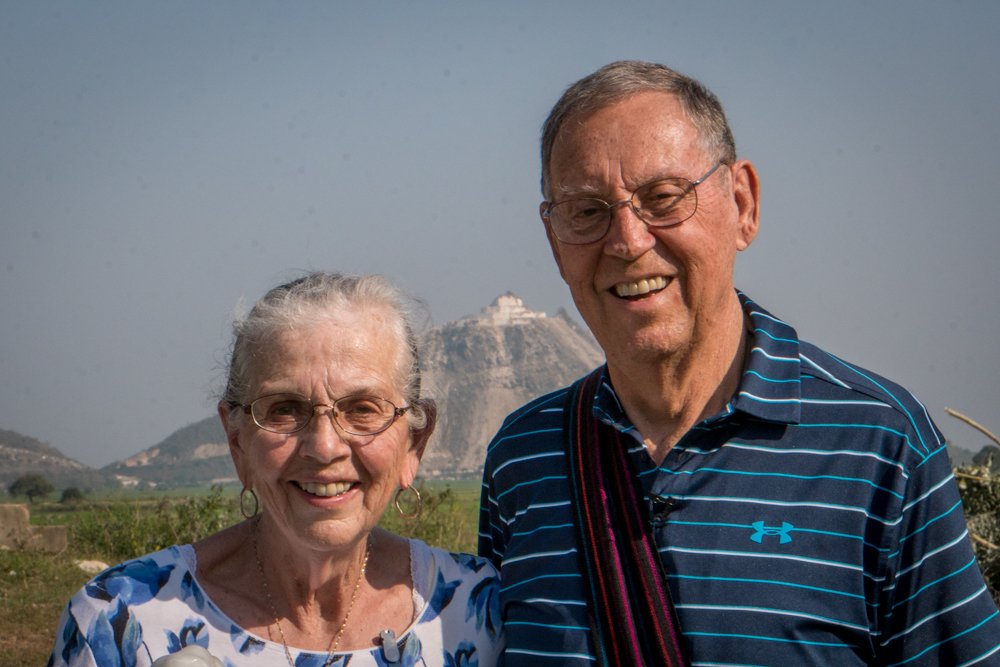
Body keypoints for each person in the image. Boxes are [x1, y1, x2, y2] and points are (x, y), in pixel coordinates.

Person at [478, 60, 1000, 665]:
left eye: (663, 197)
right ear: (554, 240)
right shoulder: (524, 458)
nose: (627, 241)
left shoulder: (880, 447)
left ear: (742, 203)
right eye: (588, 211)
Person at [52, 272, 503, 666]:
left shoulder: (480, 612)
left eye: (362, 409)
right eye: (285, 409)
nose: (325, 447)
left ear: (414, 443)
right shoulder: (122, 621)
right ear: (236, 440)